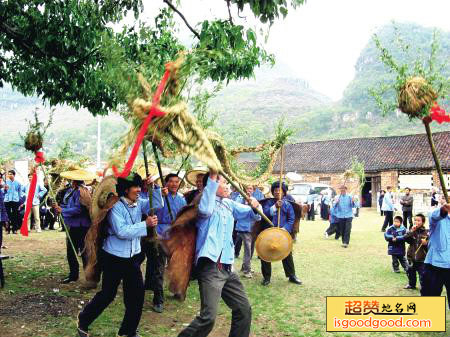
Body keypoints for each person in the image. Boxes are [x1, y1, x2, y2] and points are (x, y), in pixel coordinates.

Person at [77, 173, 162, 337]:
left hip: (133, 259)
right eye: (135, 187)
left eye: (139, 186)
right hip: (114, 259)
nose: (139, 190)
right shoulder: (115, 207)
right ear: (125, 189)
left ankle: (127, 332)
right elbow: (122, 231)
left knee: (136, 296)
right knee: (107, 295)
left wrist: (153, 187)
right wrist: (145, 224)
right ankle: (83, 320)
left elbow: (157, 203)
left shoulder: (138, 204)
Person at [178, 170, 259, 337]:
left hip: (228, 267)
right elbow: (206, 210)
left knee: (244, 309)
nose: (228, 186)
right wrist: (214, 176)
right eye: (224, 182)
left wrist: (255, 206)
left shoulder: (229, 204)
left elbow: (251, 214)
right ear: (213, 185)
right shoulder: (203, 203)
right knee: (208, 317)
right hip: (211, 267)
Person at [145, 173, 186, 313]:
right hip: (160, 234)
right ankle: (158, 300)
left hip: (175, 236)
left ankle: (177, 290)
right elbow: (150, 210)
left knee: (176, 265)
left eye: (177, 181)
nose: (174, 184)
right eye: (171, 182)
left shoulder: (182, 199)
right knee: (159, 268)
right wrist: (160, 196)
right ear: (166, 183)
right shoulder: (159, 195)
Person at [260, 181, 302, 286]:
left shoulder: (287, 204)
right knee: (265, 254)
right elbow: (264, 214)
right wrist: (274, 207)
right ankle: (266, 277)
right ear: (273, 192)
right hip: (268, 233)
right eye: (275, 190)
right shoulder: (268, 203)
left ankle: (291, 275)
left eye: (280, 190)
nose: (278, 192)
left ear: (284, 192)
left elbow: (291, 219)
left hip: (282, 233)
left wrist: (284, 229)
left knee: (287, 253)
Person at [54, 178, 91, 284]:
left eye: (72, 181)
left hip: (81, 226)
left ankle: (87, 276)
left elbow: (78, 209)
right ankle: (74, 275)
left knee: (83, 252)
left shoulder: (81, 191)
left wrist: (63, 210)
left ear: (75, 181)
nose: (71, 182)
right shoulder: (72, 190)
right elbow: (69, 205)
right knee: (72, 252)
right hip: (73, 225)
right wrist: (59, 207)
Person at [421, 202, 450, 308]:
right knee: (430, 302)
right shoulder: (437, 217)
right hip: (434, 266)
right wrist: (443, 210)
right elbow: (434, 216)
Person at [234, 185, 261, 278]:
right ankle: (247, 270)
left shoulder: (255, 200)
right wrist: (248, 207)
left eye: (251, 189)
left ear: (253, 190)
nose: (248, 190)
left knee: (250, 249)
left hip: (252, 229)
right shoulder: (239, 199)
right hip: (242, 228)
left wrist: (253, 207)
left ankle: (245, 266)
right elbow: (237, 212)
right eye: (247, 188)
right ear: (244, 190)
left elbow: (258, 216)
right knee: (247, 250)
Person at [404, 214, 428, 290]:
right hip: (411, 256)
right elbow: (405, 238)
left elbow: (430, 245)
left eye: (418, 220)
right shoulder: (411, 231)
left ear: (423, 222)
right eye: (415, 220)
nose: (416, 222)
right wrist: (411, 231)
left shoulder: (426, 232)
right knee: (410, 272)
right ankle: (411, 284)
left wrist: (426, 244)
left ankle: (424, 286)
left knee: (422, 274)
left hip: (422, 258)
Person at [3, 170, 23, 234]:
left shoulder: (18, 183)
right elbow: (3, 192)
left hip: (15, 201)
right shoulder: (5, 183)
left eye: (11, 174)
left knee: (15, 215)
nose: (9, 175)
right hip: (7, 200)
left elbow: (20, 193)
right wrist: (4, 189)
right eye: (9, 174)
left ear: (14, 175)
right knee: (7, 215)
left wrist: (20, 201)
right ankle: (7, 229)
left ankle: (15, 229)